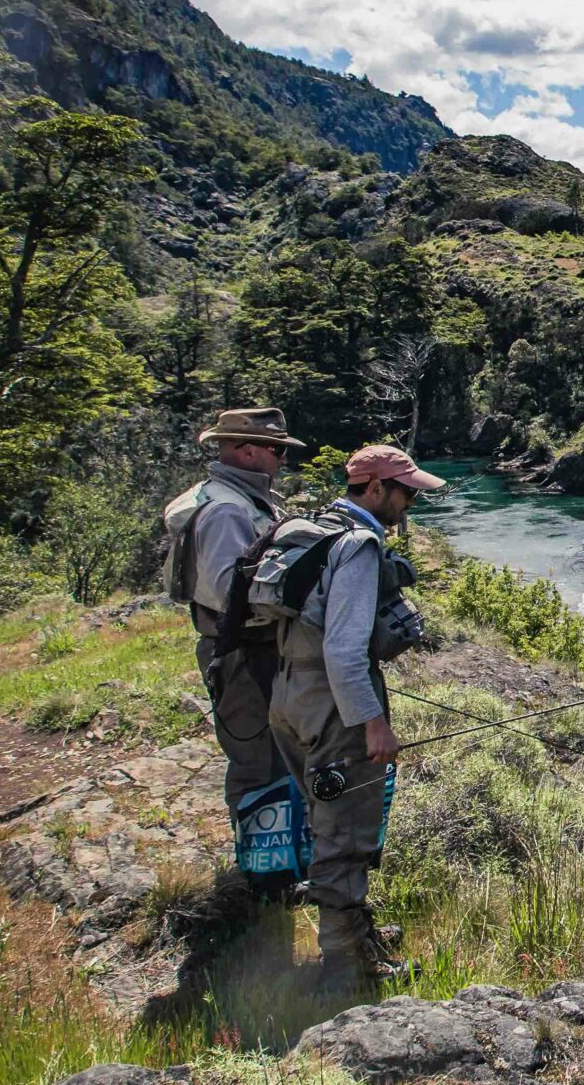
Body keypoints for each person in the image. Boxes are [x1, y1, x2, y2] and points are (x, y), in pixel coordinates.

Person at [263, 443, 444, 989]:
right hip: (335, 705)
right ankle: (347, 965)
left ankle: (356, 930)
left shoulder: (316, 529)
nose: (411, 500)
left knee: (324, 820)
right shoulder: (361, 545)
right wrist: (371, 720)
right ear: (374, 489)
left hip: (289, 697)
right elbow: (344, 650)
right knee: (343, 832)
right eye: (405, 490)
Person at [160, 407, 303, 809]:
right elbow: (232, 593)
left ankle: (283, 855)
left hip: (257, 650)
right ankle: (265, 867)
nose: (282, 459)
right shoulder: (227, 510)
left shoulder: (242, 498)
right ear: (245, 450)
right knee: (259, 761)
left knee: (280, 753)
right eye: (277, 450)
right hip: (244, 654)